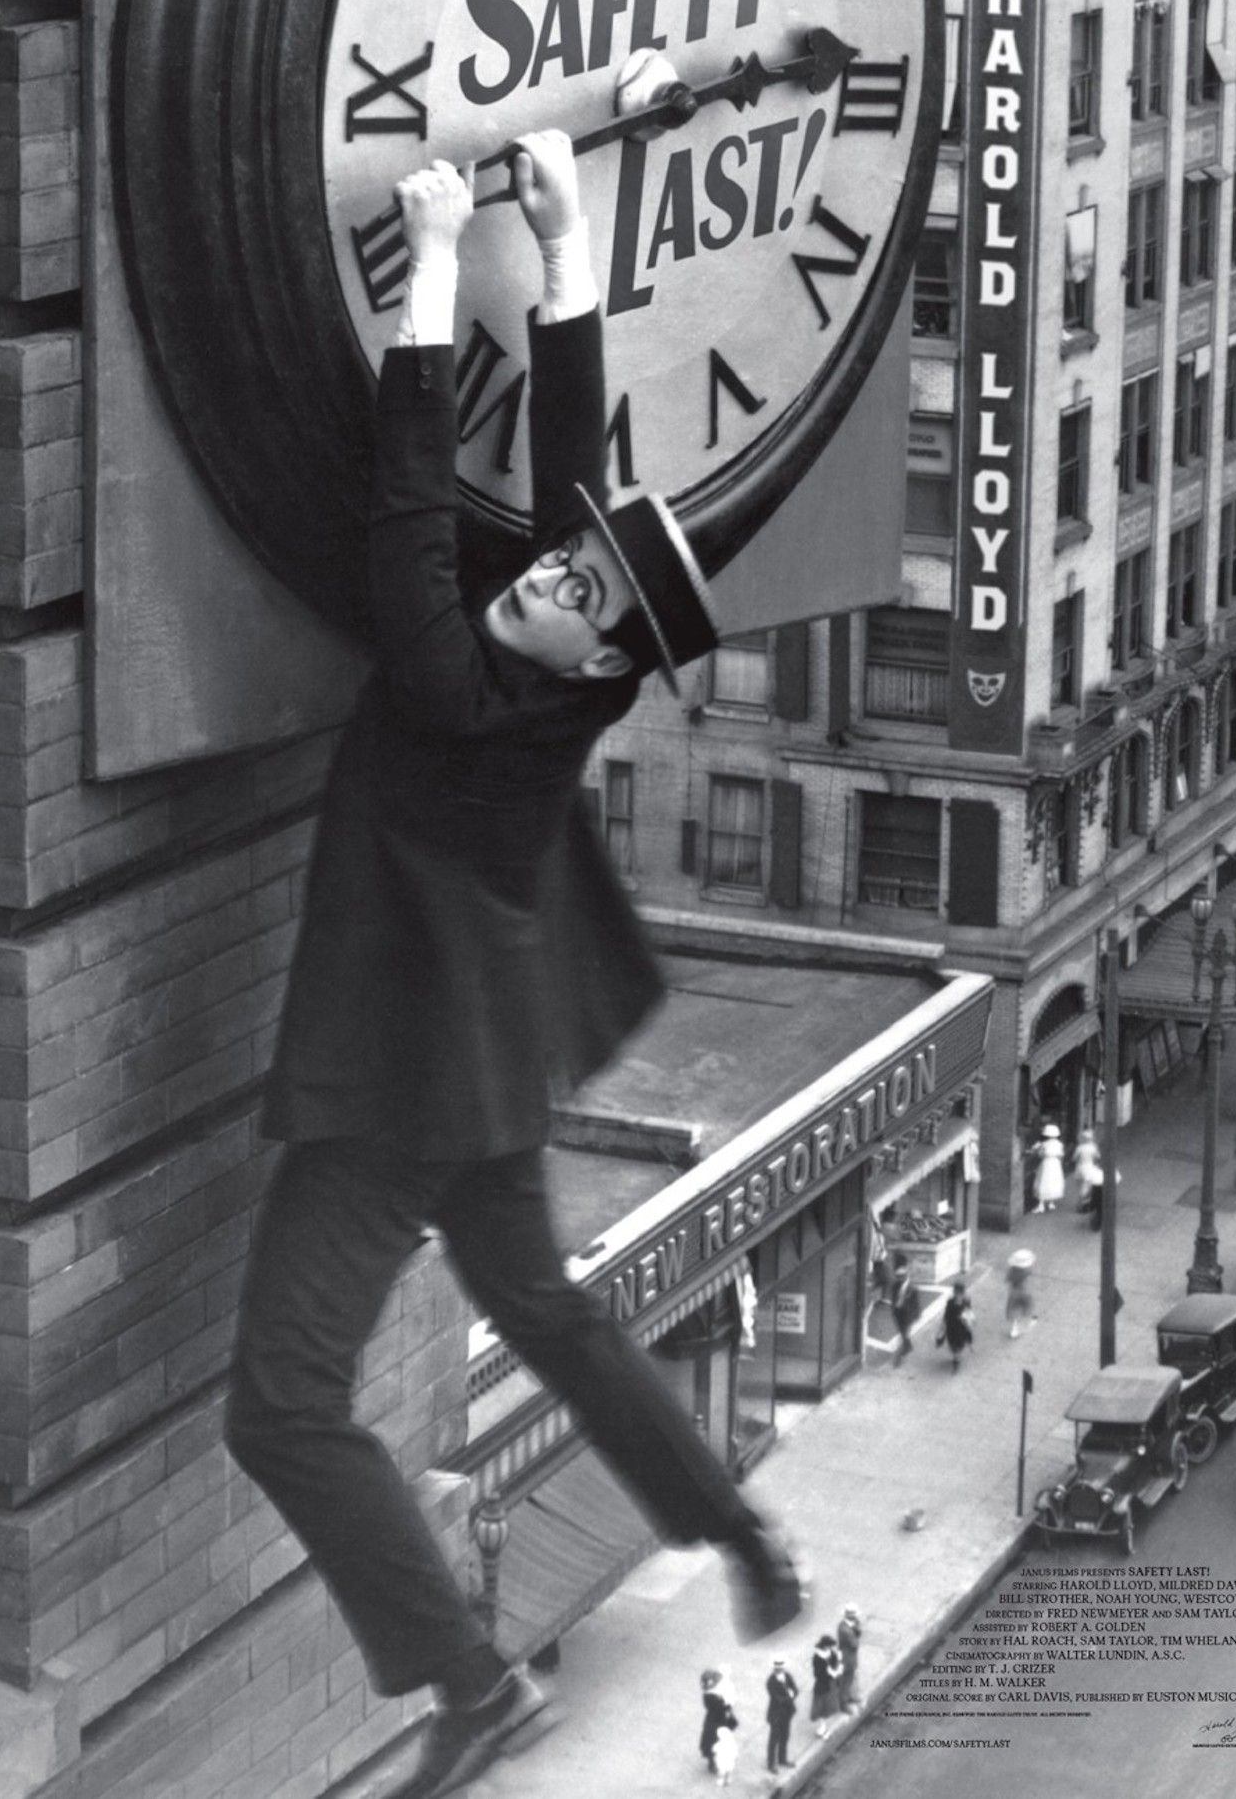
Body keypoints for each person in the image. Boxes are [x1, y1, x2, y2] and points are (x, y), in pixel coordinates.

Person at [224, 140, 805, 1799]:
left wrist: (423, 259)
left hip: (401, 1078)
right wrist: (568, 250)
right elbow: (573, 496)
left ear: (594, 653)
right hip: (476, 1054)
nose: (542, 576)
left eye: (569, 592)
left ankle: (475, 1689)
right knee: (541, 1304)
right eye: (559, 567)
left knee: (281, 1401)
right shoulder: (561, 669)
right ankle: (735, 1522)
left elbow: (412, 505)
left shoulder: (459, 687)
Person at [699, 1669, 737, 1776]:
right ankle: (712, 1763)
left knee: (717, 1741)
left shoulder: (714, 1694)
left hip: (718, 1720)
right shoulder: (709, 1696)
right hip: (714, 1721)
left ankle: (716, 1761)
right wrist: (727, 1705)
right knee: (713, 1741)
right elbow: (718, 1708)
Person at [764, 1656, 799, 1772]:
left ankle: (782, 1759)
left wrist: (792, 1693)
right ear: (774, 1669)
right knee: (774, 1739)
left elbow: (795, 1689)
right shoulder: (771, 1681)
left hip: (787, 1712)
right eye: (777, 1668)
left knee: (785, 1736)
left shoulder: (787, 1676)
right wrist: (790, 1696)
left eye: (781, 1668)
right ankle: (771, 1764)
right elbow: (777, 1698)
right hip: (776, 1714)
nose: (779, 1670)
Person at [810, 1632, 843, 1738]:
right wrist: (829, 1673)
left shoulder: (830, 1652)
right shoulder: (817, 1658)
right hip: (822, 1685)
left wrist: (837, 1665)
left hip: (831, 1683)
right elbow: (817, 1674)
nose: (831, 1648)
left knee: (829, 1703)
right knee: (821, 1707)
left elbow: (835, 1661)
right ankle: (822, 1727)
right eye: (829, 1646)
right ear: (824, 1646)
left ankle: (823, 1726)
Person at [889, 1250, 919, 1365]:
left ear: (905, 1276)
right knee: (902, 1332)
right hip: (898, 1312)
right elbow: (893, 1297)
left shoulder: (912, 1288)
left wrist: (915, 1315)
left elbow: (916, 1304)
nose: (899, 1279)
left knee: (904, 1332)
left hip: (908, 1314)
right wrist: (893, 1308)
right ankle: (908, 1345)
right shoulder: (895, 1286)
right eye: (898, 1276)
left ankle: (901, 1355)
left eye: (901, 1276)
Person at [938, 1280, 975, 1370]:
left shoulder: (966, 1302)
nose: (957, 1294)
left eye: (959, 1292)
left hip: (961, 1327)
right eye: (956, 1292)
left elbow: (969, 1314)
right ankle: (956, 1356)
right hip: (951, 1326)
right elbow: (946, 1314)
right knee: (952, 1343)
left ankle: (956, 1359)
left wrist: (968, 1323)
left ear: (962, 1292)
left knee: (959, 1344)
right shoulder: (950, 1302)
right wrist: (943, 1325)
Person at [1032, 1123, 1066, 1213]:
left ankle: (1041, 1205)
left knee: (1043, 1180)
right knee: (1053, 1181)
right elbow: (1061, 1155)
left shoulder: (1044, 1144)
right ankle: (1051, 1203)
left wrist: (1038, 1150)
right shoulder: (1059, 1144)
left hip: (1046, 1163)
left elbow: (1040, 1155)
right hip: (1056, 1164)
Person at [1005, 1249, 1037, 1339]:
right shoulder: (1026, 1271)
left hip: (1013, 1292)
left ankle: (1014, 1329)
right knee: (1028, 1306)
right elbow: (1031, 1269)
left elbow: (1007, 1280)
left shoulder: (1011, 1271)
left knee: (1014, 1308)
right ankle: (1028, 1320)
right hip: (1024, 1292)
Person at [836, 1605, 863, 1712]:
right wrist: (855, 1629)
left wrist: (856, 1626)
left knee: (850, 1679)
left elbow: (858, 1634)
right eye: (855, 1616)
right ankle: (843, 1704)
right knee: (845, 1681)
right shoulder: (845, 1630)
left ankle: (849, 1697)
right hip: (846, 1658)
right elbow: (854, 1644)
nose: (857, 1618)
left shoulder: (847, 1625)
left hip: (850, 1656)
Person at [1070, 1128, 1100, 1212]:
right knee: (1087, 1186)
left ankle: (1081, 1204)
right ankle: (1083, 1204)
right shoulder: (1093, 1148)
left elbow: (1074, 1158)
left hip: (1080, 1167)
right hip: (1089, 1167)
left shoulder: (1080, 1147)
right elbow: (1098, 1157)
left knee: (1080, 1186)